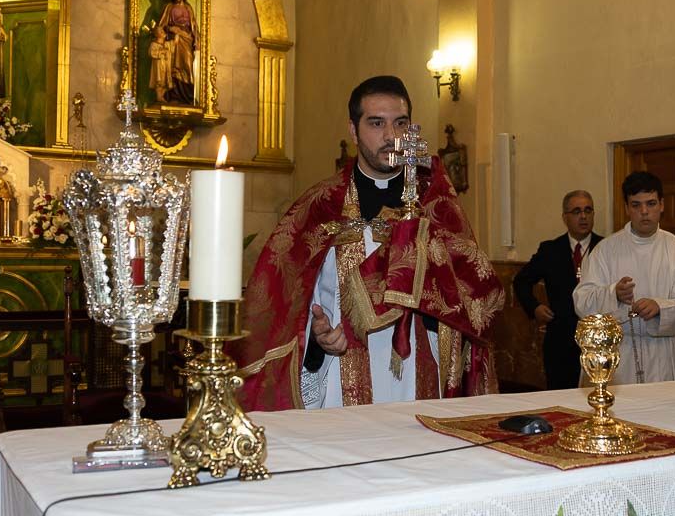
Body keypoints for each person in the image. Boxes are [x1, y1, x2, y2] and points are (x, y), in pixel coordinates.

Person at [228, 75, 504, 410]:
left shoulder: (437, 207)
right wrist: (317, 343)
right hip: (342, 384)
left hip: (423, 385)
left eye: (400, 123)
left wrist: (436, 307)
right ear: (353, 130)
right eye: (376, 123)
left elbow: (476, 306)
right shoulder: (318, 208)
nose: (391, 136)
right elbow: (283, 317)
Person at [573, 171, 675, 383]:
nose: (644, 212)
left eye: (651, 204)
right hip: (617, 356)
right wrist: (613, 293)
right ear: (626, 208)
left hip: (660, 354)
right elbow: (581, 301)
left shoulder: (674, 247)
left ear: (661, 205)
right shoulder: (606, 250)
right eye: (636, 205)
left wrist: (660, 308)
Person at [513, 190, 602, 390]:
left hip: (597, 339)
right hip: (560, 339)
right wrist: (534, 307)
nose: (583, 216)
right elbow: (521, 281)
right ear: (565, 217)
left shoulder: (605, 247)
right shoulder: (551, 250)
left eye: (588, 210)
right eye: (577, 211)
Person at [154, 0, 200, 104]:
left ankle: (189, 95)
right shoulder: (169, 7)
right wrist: (171, 29)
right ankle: (175, 95)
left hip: (187, 38)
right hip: (175, 39)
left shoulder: (188, 7)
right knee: (174, 66)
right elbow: (162, 26)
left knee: (188, 65)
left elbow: (194, 26)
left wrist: (196, 39)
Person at [148, 27, 174, 103]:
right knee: (159, 81)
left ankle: (161, 96)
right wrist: (161, 52)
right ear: (156, 34)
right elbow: (151, 53)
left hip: (166, 65)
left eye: (162, 30)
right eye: (160, 31)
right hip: (159, 66)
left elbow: (173, 45)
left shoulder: (167, 44)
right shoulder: (154, 44)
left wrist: (176, 37)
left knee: (166, 81)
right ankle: (159, 97)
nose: (163, 32)